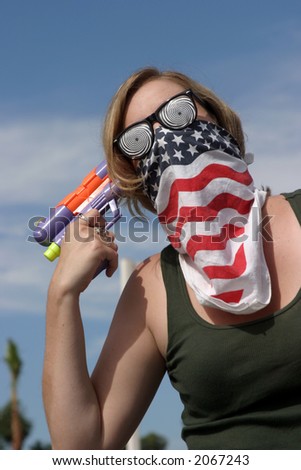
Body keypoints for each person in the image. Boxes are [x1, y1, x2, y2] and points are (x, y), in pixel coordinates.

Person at [43, 67, 301, 450]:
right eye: (139, 140)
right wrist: (62, 293)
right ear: (134, 171)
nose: (167, 139)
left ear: (218, 117)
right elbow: (83, 450)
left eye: (177, 112)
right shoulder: (151, 288)